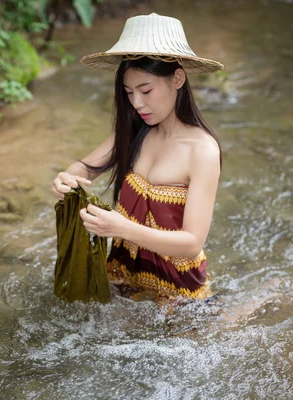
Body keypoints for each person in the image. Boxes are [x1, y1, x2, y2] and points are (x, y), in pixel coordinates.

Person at [52, 13, 223, 300]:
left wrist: (123, 228)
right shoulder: (134, 131)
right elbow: (85, 168)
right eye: (129, 92)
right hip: (121, 275)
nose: (137, 103)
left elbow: (192, 243)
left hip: (177, 291)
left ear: (177, 78)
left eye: (146, 90)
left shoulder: (202, 150)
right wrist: (67, 179)